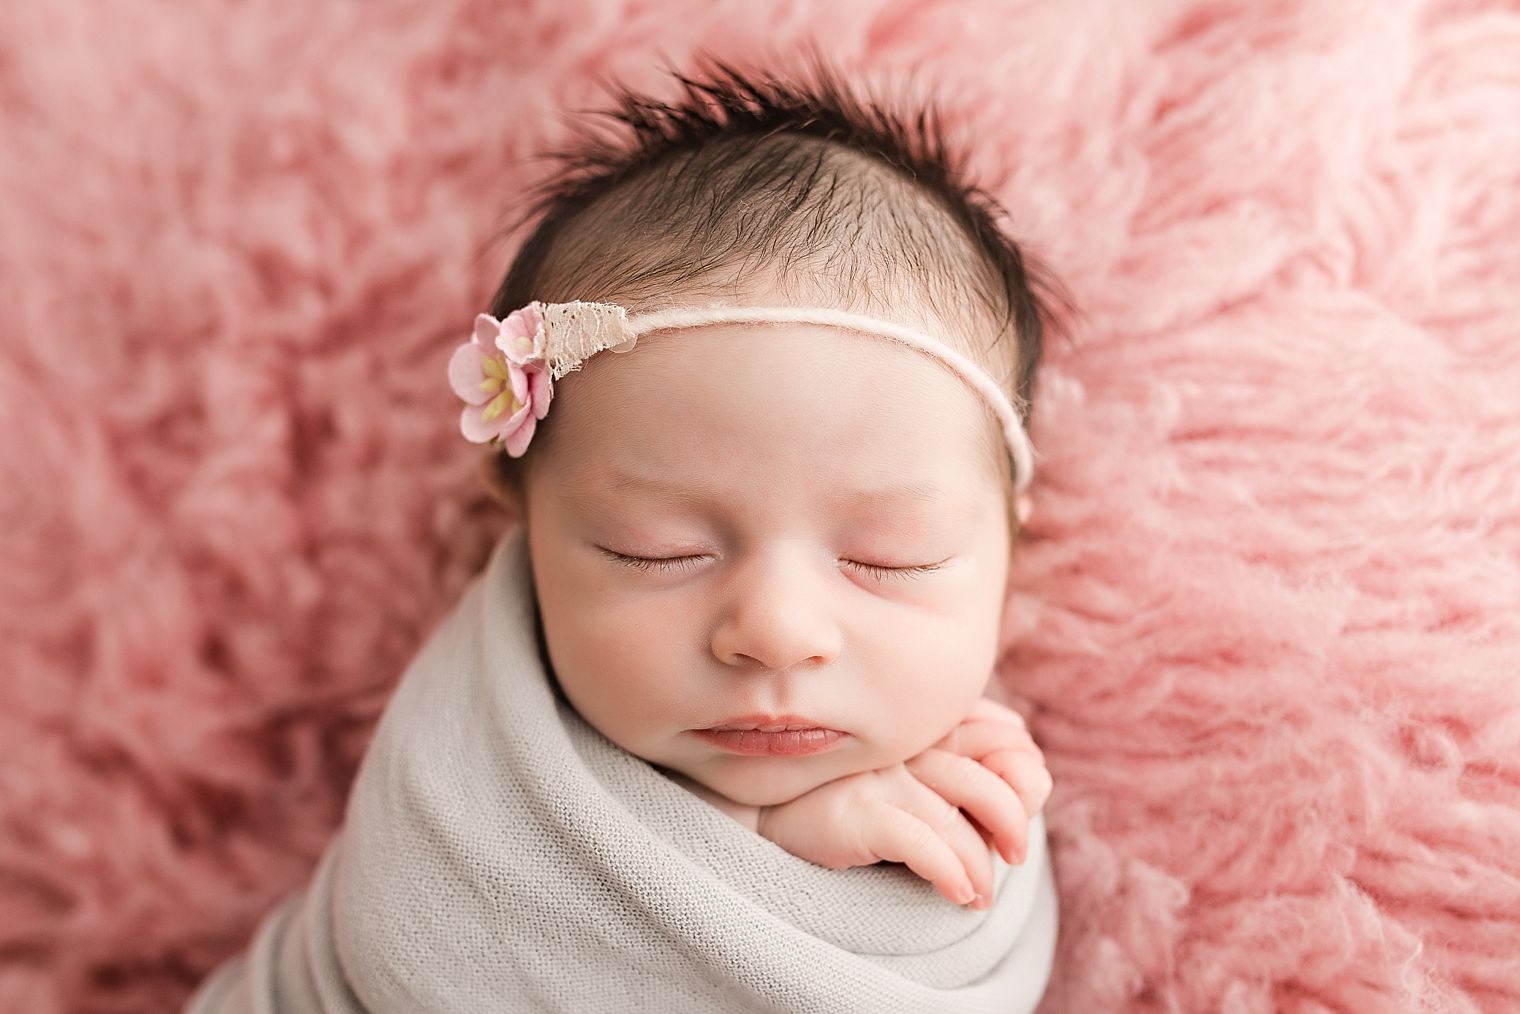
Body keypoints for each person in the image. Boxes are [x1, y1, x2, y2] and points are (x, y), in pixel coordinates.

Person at [187, 54, 1064, 1014]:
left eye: (890, 557)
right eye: (657, 550)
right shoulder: (461, 782)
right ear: (519, 514)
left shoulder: (982, 786)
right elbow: (437, 936)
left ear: (1008, 541)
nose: (773, 630)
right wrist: (763, 838)